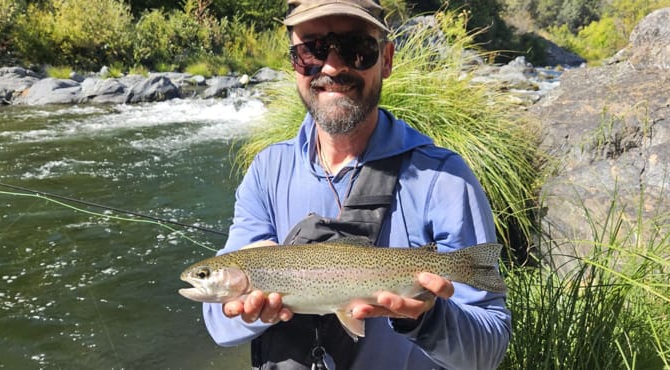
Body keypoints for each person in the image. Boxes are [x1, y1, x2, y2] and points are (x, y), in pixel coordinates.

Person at [201, 0, 511, 368]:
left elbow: (488, 353)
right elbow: (220, 328)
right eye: (311, 50)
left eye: (356, 50)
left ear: (388, 59)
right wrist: (245, 312)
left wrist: (428, 319)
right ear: (294, 63)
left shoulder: (444, 178)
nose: (332, 66)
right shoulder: (268, 170)